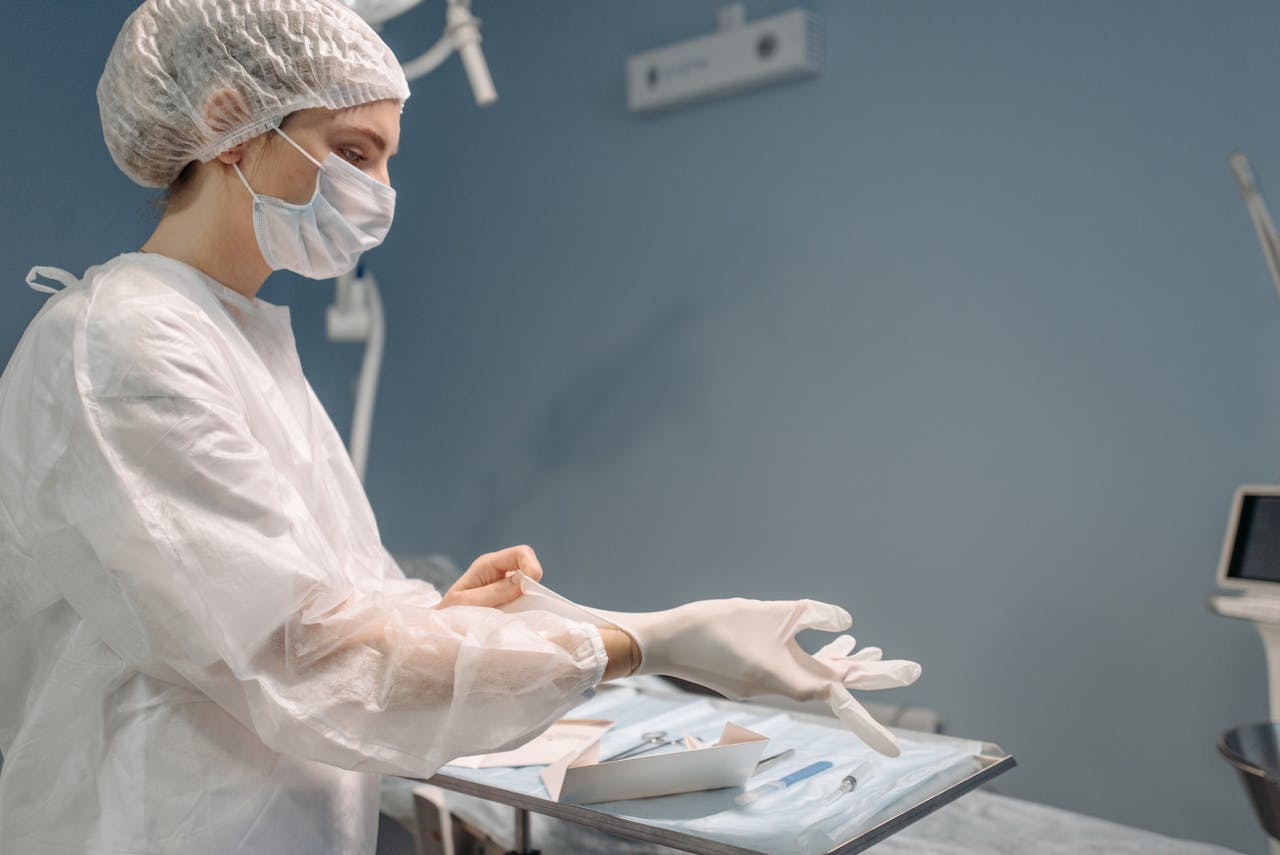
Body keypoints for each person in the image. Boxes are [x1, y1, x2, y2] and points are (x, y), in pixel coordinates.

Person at [0, 2, 919, 853]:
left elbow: (310, 609)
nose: (380, 191)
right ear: (228, 119)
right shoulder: (125, 344)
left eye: (389, 159)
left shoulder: (233, 336)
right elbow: (296, 655)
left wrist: (438, 616)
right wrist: (651, 639)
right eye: (353, 152)